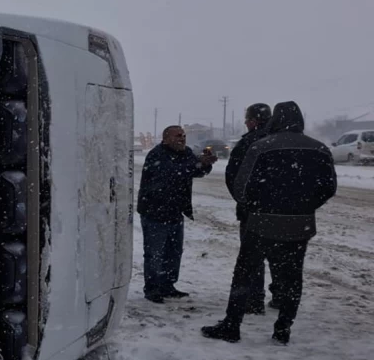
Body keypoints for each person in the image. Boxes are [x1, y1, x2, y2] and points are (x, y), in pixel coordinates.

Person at [201, 101, 337, 345]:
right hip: (300, 224)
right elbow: (328, 187)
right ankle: (282, 329)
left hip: (261, 222)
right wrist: (304, 207)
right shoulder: (320, 149)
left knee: (244, 273)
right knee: (292, 277)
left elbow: (241, 185)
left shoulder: (260, 147)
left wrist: (255, 207)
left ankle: (232, 325)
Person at [136, 125, 217, 303]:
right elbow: (172, 173)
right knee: (154, 254)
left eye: (183, 135)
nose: (182, 138)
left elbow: (194, 170)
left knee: (173, 252)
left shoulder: (186, 152)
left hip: (175, 212)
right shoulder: (157, 155)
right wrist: (197, 163)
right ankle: (152, 288)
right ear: (165, 139)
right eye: (177, 136)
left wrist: (205, 164)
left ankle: (167, 285)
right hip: (154, 212)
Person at [224, 103, 275, 313]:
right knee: (282, 256)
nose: (246, 124)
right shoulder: (283, 140)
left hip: (254, 212)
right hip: (285, 212)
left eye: (247, 120)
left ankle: (254, 300)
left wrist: (245, 202)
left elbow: (234, 177)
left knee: (252, 257)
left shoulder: (249, 143)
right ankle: (282, 296)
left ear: (253, 121)